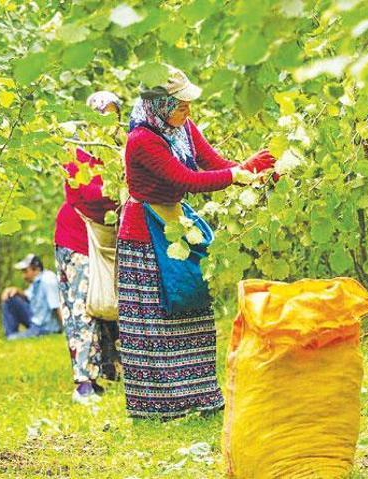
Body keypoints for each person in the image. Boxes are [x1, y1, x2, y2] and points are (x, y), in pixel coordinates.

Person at [117, 66, 276, 419]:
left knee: (191, 305)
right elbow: (187, 178)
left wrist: (253, 171)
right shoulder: (141, 139)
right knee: (157, 317)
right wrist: (235, 176)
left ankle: (201, 397)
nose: (188, 112)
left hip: (177, 225)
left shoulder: (183, 129)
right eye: (181, 105)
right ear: (160, 104)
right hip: (145, 233)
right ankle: (160, 407)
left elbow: (214, 164)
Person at [54, 91, 122, 404]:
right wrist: (120, 192)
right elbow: (85, 196)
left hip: (109, 240)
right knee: (82, 307)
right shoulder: (77, 154)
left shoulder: (118, 152)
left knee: (108, 304)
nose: (107, 121)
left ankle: (109, 368)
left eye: (113, 114)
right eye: (101, 115)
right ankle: (83, 380)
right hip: (77, 238)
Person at [1, 254, 63, 340]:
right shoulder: (37, 281)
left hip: (45, 327)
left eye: (25, 271)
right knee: (10, 299)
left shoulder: (48, 281)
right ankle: (10, 335)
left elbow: (57, 306)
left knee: (13, 338)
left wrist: (66, 331)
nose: (24, 276)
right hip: (36, 320)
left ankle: (11, 338)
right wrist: (15, 290)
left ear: (36, 269)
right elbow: (28, 296)